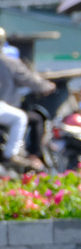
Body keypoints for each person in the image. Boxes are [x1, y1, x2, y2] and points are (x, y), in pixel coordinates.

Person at [0, 33, 55, 172]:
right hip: (4, 107)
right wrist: (47, 86)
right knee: (24, 117)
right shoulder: (9, 62)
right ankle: (11, 155)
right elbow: (31, 80)